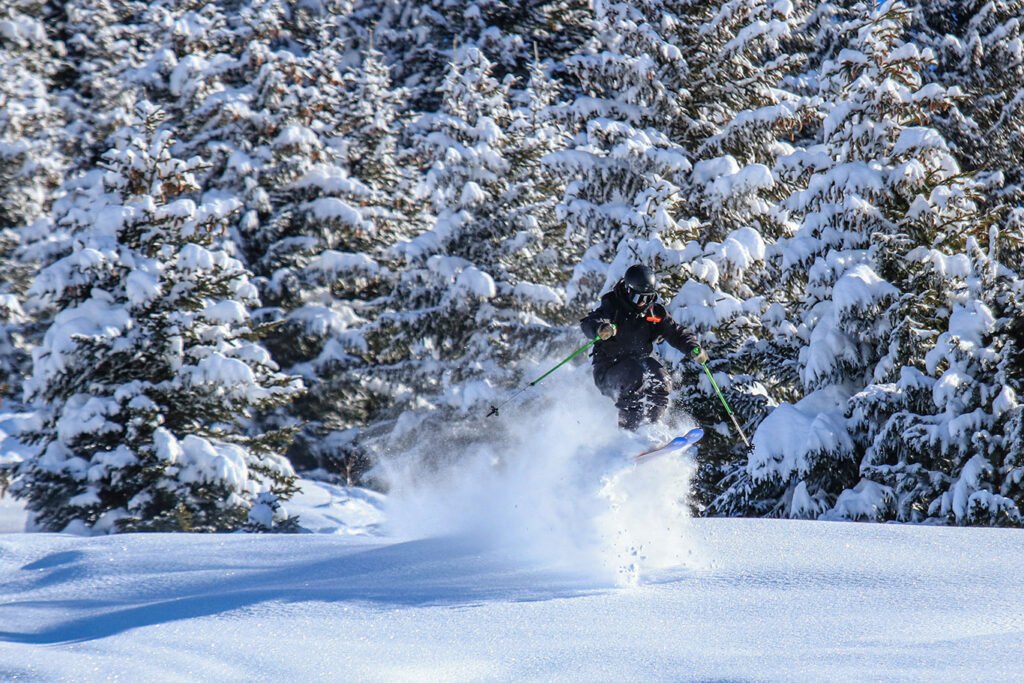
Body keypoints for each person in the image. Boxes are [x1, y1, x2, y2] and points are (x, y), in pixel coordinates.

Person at [580, 264, 708, 431]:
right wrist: (601, 328)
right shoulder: (612, 306)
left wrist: (693, 347)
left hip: (640, 363)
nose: (642, 303)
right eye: (637, 298)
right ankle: (630, 432)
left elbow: (676, 332)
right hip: (608, 369)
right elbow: (588, 323)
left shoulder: (654, 313)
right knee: (635, 375)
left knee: (662, 380)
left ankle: (652, 429)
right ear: (627, 290)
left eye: (648, 298)